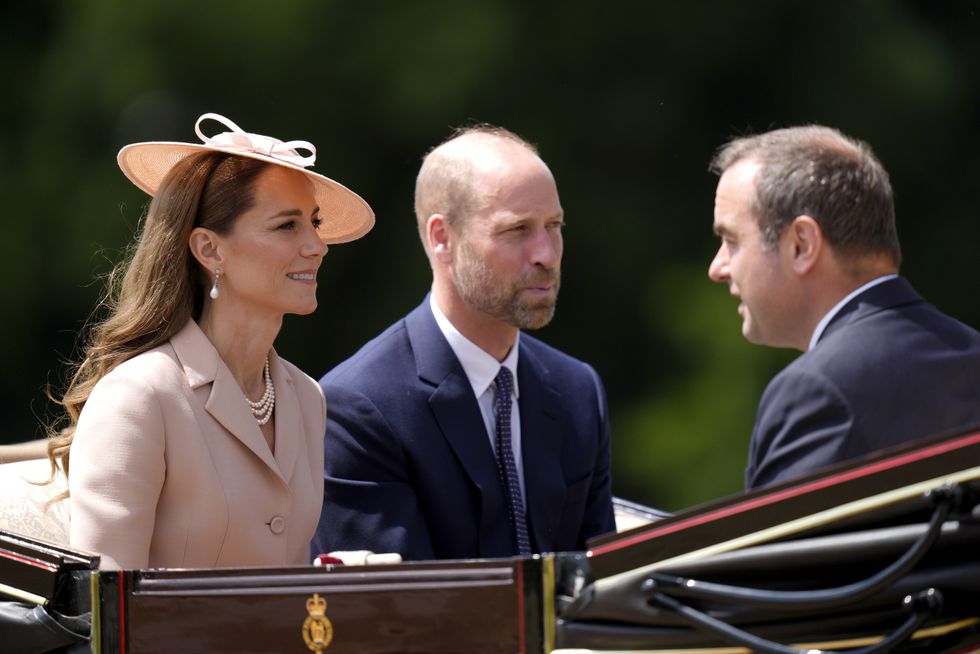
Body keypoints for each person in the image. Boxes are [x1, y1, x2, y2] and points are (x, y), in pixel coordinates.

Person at [48, 112, 374, 569]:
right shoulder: (138, 397)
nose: (317, 245)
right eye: (287, 226)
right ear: (209, 250)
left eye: (314, 223)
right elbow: (106, 616)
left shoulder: (307, 398)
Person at [312, 126, 616, 560]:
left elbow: (604, 585)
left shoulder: (577, 392)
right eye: (517, 230)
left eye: (554, 226)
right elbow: (392, 613)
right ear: (442, 238)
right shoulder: (360, 408)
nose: (546, 254)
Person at [707, 125, 980, 490]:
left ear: (801, 245)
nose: (717, 268)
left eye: (731, 240)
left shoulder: (816, 389)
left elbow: (780, 549)